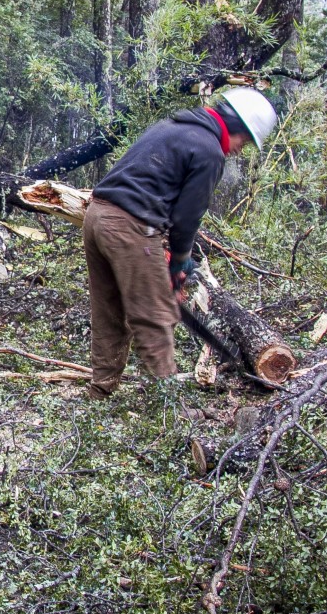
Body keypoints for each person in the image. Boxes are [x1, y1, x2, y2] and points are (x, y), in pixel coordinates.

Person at [82, 87, 277, 400]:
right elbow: (188, 217)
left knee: (109, 310)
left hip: (96, 216)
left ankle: (100, 391)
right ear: (236, 128)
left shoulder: (171, 126)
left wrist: (168, 256)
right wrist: (180, 261)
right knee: (155, 317)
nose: (241, 150)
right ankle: (170, 407)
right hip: (130, 227)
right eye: (245, 141)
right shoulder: (209, 150)